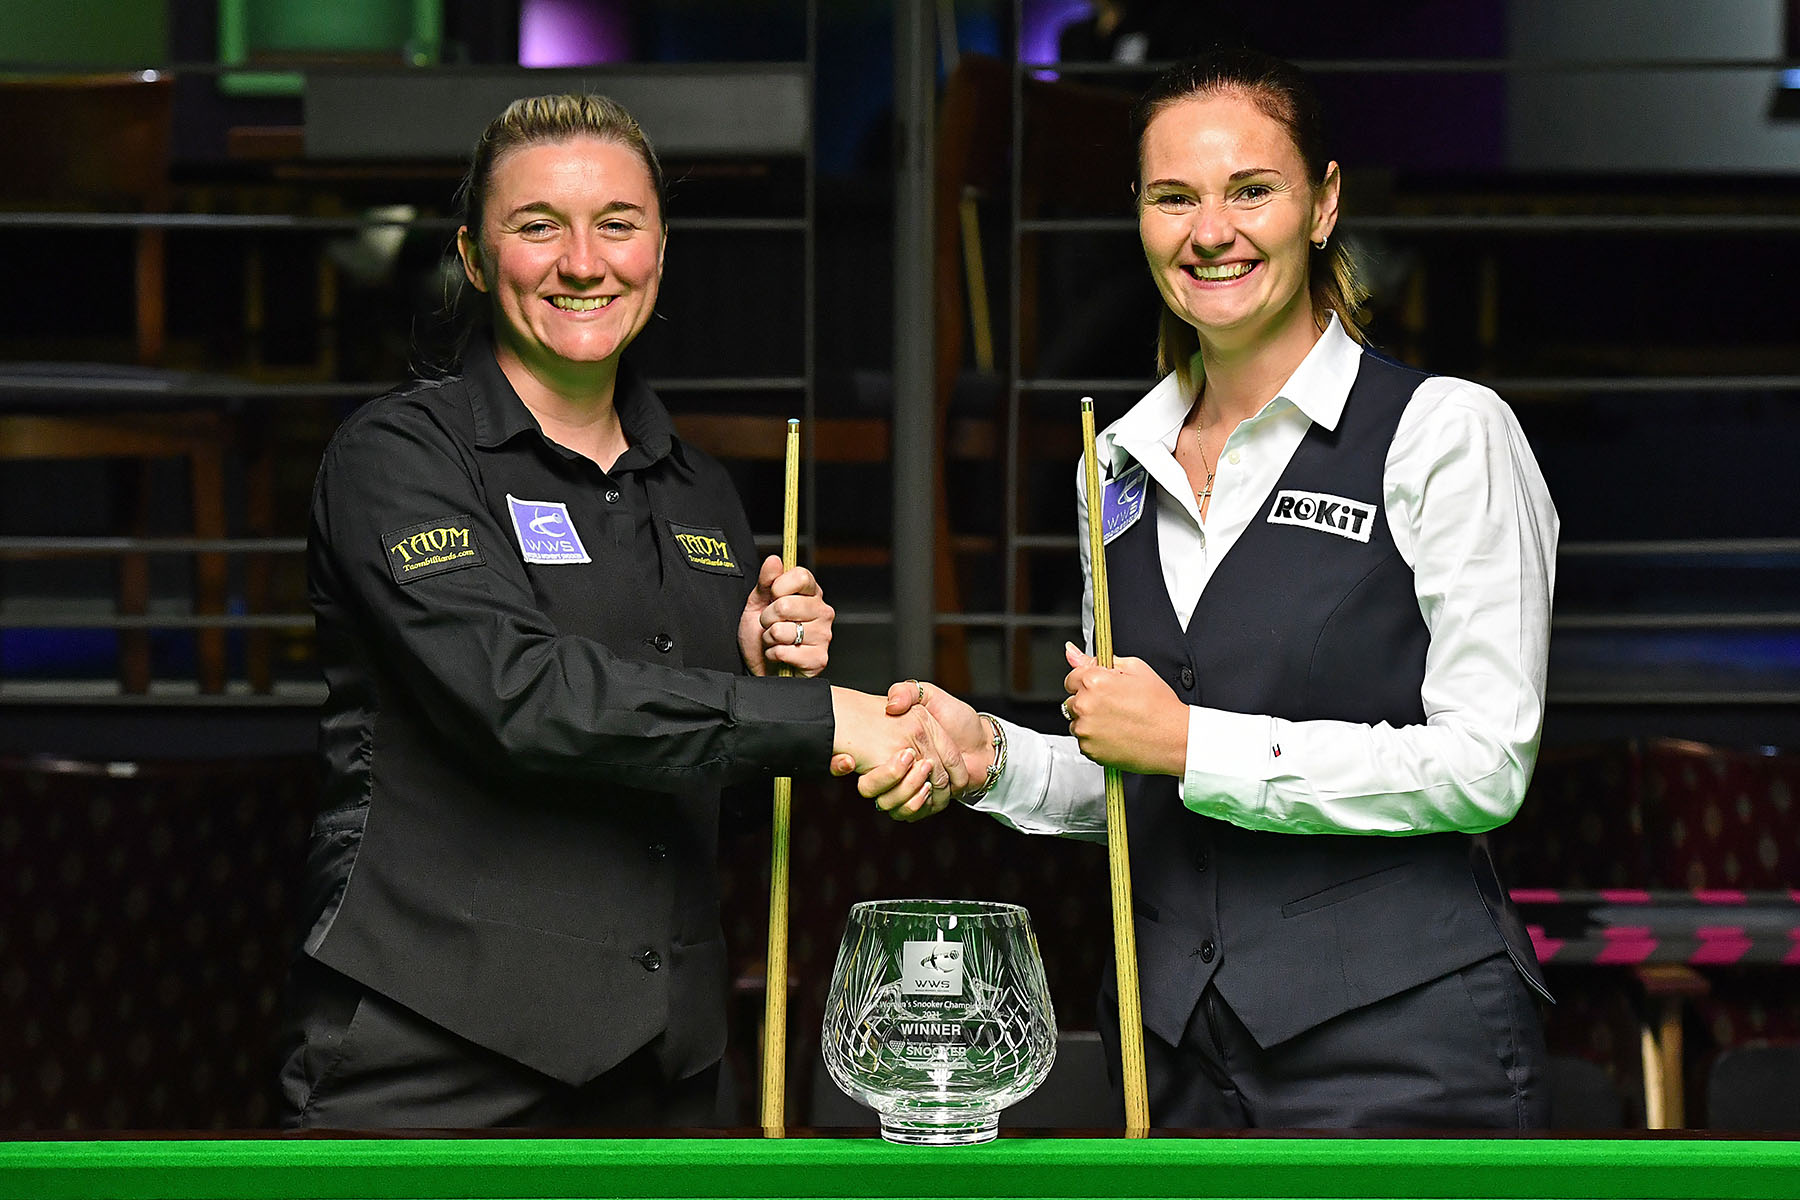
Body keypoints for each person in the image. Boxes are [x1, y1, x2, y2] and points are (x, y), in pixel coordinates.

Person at [850, 49, 1559, 1129]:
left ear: (1323, 204)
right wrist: (991, 756)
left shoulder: (1444, 434)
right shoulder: (1113, 467)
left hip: (1405, 1052)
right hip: (1174, 1057)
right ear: (1139, 216)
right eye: (1174, 197)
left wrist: (1191, 742)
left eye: (1252, 190)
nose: (1211, 231)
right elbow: (1140, 777)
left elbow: (1485, 766)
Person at [280, 93, 952, 1129]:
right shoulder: (400, 460)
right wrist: (825, 718)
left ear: (660, 252)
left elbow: (701, 787)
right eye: (537, 225)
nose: (583, 262)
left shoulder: (701, 495)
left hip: (664, 1065)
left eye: (618, 224)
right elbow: (521, 698)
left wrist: (760, 675)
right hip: (434, 1058)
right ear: (472, 257)